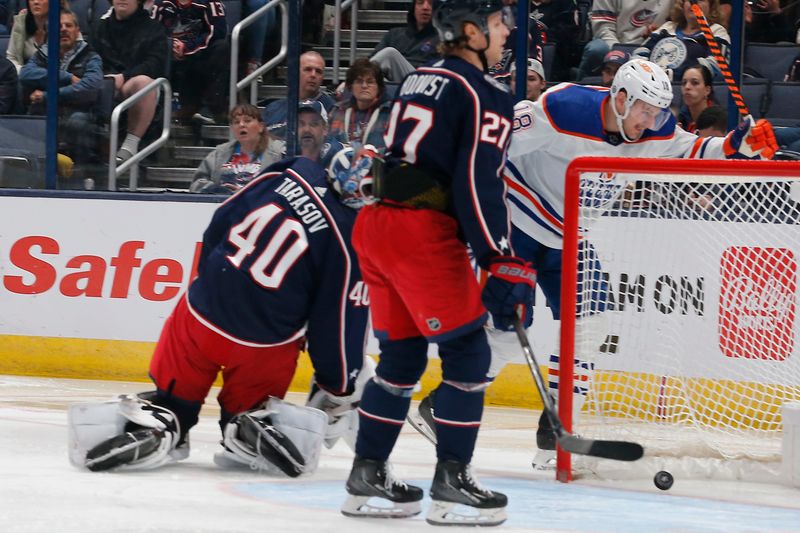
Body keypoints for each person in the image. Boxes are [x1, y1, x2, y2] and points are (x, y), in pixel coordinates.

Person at [496, 58, 777, 469]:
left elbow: (692, 150)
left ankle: (554, 426)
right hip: (517, 219)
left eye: (659, 111)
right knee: (504, 323)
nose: (651, 120)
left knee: (594, 321)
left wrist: (738, 144)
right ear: (622, 98)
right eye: (645, 108)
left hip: (570, 235)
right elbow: (493, 142)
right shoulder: (563, 107)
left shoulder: (656, 128)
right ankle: (452, 397)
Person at [68, 148, 376, 476]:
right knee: (251, 407)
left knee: (173, 400)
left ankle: (164, 421)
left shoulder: (291, 172)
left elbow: (222, 220)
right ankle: (245, 427)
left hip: (198, 316)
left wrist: (210, 282)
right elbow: (337, 328)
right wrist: (339, 385)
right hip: (265, 343)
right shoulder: (352, 244)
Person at [341, 0, 530, 527]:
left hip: (378, 226)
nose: (505, 32)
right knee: (468, 354)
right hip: (420, 233)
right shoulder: (485, 94)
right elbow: (479, 182)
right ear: (470, 32)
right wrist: (500, 257)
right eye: (497, 24)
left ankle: (367, 475)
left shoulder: (419, 78)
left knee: (401, 360)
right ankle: (452, 483)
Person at [19, 9, 103, 167]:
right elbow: (25, 74)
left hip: (79, 112)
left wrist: (47, 95)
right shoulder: (42, 55)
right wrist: (66, 77)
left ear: (77, 30)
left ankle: (80, 175)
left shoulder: (90, 56)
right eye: (59, 26)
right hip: (46, 111)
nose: (63, 29)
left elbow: (91, 86)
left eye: (69, 25)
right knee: (33, 119)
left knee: (77, 122)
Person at [90, 0, 168, 163]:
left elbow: (154, 65)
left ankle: (130, 145)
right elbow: (90, 58)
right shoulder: (99, 27)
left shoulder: (154, 29)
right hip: (103, 84)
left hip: (133, 85)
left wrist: (124, 77)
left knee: (144, 83)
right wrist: (107, 78)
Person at [153, 0, 229, 124]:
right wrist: (170, 45)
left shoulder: (210, 3)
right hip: (168, 52)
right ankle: (158, 110)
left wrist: (187, 48)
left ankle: (214, 106)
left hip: (200, 55)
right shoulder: (161, 4)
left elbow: (219, 32)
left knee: (222, 47)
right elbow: (151, 31)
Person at [189, 103, 283, 194]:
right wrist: (216, 190)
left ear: (261, 127)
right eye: (236, 122)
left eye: (247, 121)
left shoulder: (279, 152)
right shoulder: (220, 153)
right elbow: (196, 184)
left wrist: (248, 193)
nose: (241, 125)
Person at [634, 0, 729, 82]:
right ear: (682, 5)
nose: (694, 3)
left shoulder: (717, 32)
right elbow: (640, 54)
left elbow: (715, 67)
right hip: (652, 83)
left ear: (711, 7)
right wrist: (647, 73)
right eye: (689, 0)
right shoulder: (668, 27)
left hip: (685, 90)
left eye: (701, 0)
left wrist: (674, 74)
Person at [576, 0, 671, 80]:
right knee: (597, 49)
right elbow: (603, 27)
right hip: (616, 44)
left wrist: (659, 33)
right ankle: (582, 90)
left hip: (655, 47)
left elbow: (678, 24)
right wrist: (619, 53)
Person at [261, 51, 335, 139]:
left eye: (318, 71)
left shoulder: (331, 109)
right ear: (295, 72)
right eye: (308, 69)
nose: (313, 75)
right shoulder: (272, 108)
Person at [327, 58, 393, 149]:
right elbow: (326, 144)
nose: (364, 86)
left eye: (370, 82)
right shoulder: (337, 111)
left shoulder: (390, 113)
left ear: (379, 87)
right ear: (351, 86)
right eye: (359, 81)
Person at [370, 0, 440, 82]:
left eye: (430, 4)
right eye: (420, 2)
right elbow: (373, 61)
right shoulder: (394, 34)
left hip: (421, 83)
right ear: (413, 9)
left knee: (389, 54)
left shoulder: (441, 40)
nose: (425, 7)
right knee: (373, 78)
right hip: (392, 85)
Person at [7, 0, 71, 72]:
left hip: (58, 79)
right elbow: (12, 57)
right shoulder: (21, 22)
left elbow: (76, 54)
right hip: (24, 79)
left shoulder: (66, 24)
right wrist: (25, 73)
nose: (36, 2)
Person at [678, 62, 715, 132]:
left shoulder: (719, 122)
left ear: (707, 90)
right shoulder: (678, 120)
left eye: (695, 83)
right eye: (684, 83)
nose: (687, 87)